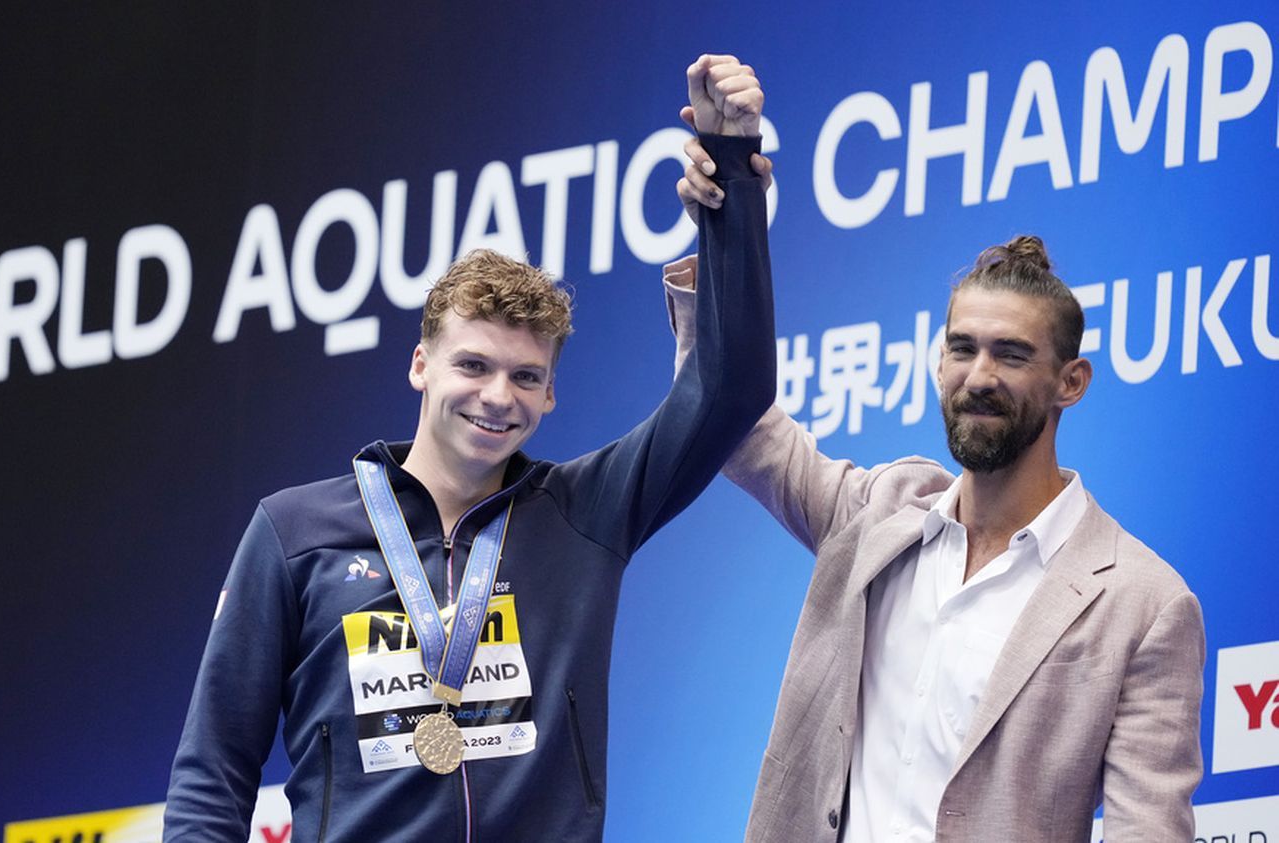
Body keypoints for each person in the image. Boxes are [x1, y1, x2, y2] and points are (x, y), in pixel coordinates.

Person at [163, 55, 775, 842]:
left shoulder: (586, 512)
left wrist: (733, 174)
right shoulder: (292, 533)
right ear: (421, 364)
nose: (497, 396)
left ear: (552, 392)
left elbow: (732, 387)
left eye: (527, 376)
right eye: (473, 365)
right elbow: (213, 772)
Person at [668, 162, 1204, 841]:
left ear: (1071, 381)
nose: (979, 376)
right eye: (962, 348)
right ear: (937, 361)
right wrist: (727, 232)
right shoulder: (880, 510)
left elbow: (1148, 830)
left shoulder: (1144, 602)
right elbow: (735, 422)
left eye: (1011, 355)